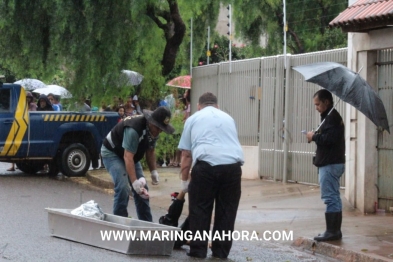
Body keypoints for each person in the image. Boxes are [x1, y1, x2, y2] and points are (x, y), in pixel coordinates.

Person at [178, 92, 244, 259]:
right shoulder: (229, 118)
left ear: (199, 106)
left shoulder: (193, 119)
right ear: (217, 106)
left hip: (205, 167)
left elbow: (186, 154)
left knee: (200, 209)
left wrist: (184, 182)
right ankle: (220, 253)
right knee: (227, 211)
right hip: (232, 168)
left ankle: (198, 252)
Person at [101, 106, 175, 221]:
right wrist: (134, 181)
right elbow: (127, 157)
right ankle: (120, 221)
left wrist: (153, 171)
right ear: (152, 123)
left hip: (129, 155)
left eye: (162, 129)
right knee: (123, 187)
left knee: (142, 189)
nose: (160, 131)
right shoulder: (134, 129)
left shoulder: (153, 131)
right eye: (159, 128)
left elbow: (150, 150)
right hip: (113, 153)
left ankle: (146, 224)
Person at [305, 89, 345, 242]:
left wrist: (314, 136)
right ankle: (334, 230)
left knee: (330, 197)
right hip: (331, 162)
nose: (316, 107)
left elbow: (330, 139)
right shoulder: (328, 117)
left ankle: (332, 231)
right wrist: (315, 135)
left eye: (318, 104)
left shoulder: (333, 118)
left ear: (326, 102)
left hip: (330, 163)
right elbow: (327, 137)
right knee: (333, 196)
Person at [7, 91, 37, 171]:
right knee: (13, 143)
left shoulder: (33, 105)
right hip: (19, 126)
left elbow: (33, 114)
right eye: (26, 98)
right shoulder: (20, 105)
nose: (27, 99)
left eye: (29, 98)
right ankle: (12, 165)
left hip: (28, 127)